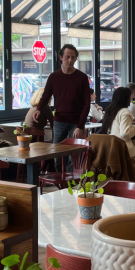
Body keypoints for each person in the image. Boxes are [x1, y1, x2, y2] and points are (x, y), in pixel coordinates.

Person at [34, 44, 91, 174]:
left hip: (76, 122)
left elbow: (86, 104)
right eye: (67, 57)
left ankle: (72, 183)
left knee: (74, 156)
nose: (70, 60)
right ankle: (61, 183)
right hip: (59, 121)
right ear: (61, 57)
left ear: (76, 59)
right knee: (57, 156)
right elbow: (45, 96)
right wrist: (38, 109)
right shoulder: (54, 77)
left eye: (73, 57)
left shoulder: (82, 78)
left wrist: (80, 126)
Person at [100, 87, 135, 160]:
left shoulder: (109, 110)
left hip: (111, 149)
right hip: (124, 150)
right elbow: (125, 133)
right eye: (130, 96)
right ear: (126, 98)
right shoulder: (125, 112)